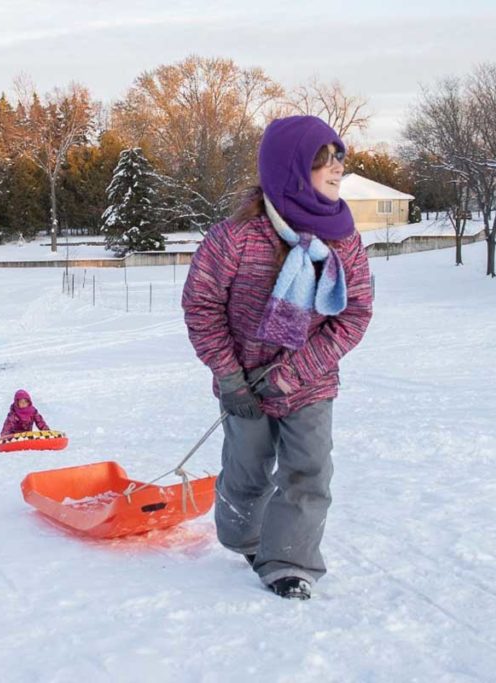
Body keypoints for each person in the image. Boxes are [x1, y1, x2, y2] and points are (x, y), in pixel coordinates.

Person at [181, 115, 373, 600]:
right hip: (241, 382)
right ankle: (246, 536)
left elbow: (355, 315)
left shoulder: (342, 238)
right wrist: (229, 377)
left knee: (309, 472)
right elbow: (201, 306)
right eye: (323, 161)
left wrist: (294, 373)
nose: (336, 170)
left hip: (309, 384)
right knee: (248, 468)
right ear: (289, 167)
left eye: (339, 159)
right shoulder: (235, 238)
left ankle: (288, 560)